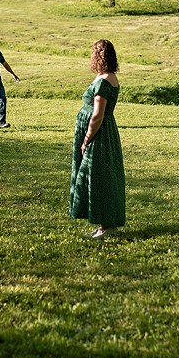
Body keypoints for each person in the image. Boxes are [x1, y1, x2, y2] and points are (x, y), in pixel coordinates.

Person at [69, 39, 126, 237]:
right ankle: (103, 224)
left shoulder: (103, 81)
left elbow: (98, 115)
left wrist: (86, 139)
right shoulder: (108, 77)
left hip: (99, 135)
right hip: (105, 133)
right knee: (100, 177)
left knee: (98, 178)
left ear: (97, 56)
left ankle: (107, 226)